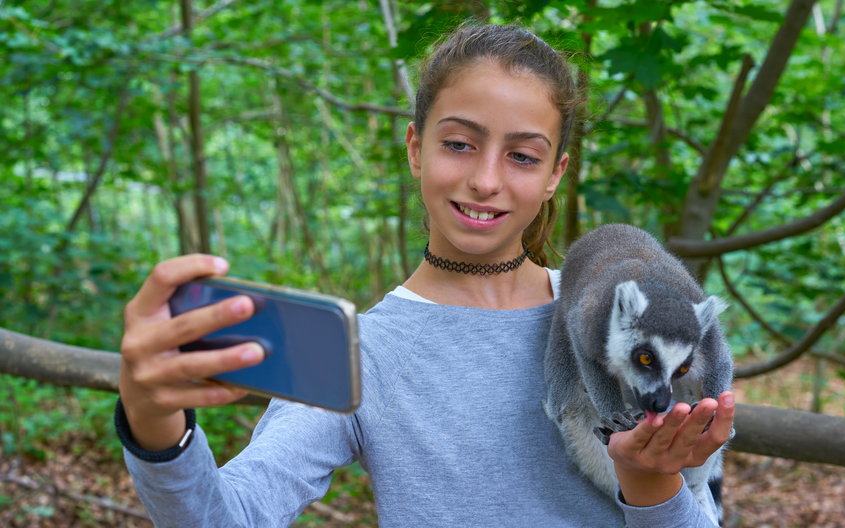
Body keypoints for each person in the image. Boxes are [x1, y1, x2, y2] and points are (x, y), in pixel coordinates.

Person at [116, 23, 735, 527]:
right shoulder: (361, 353)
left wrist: (651, 484)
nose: (486, 180)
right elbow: (227, 519)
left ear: (555, 174)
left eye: (522, 155)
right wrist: (153, 424)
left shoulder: (632, 330)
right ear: (416, 149)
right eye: (459, 144)